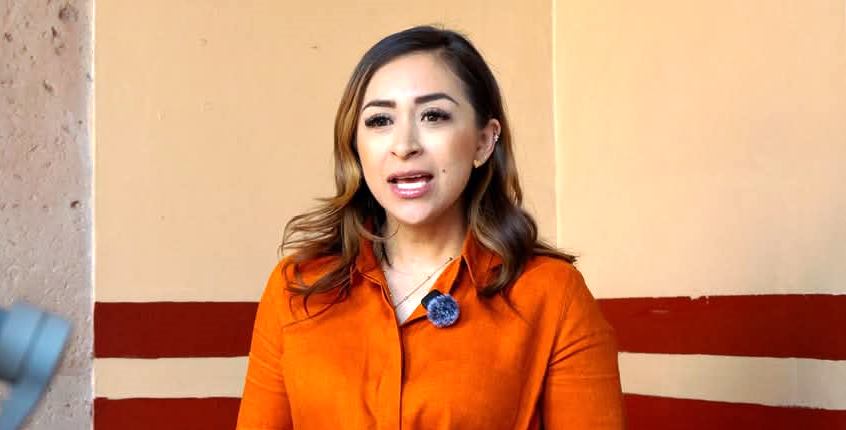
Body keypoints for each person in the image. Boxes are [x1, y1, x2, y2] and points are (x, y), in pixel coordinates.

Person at [236, 25, 625, 429]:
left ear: (483, 141)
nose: (404, 145)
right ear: (355, 146)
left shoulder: (552, 294)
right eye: (380, 120)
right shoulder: (296, 287)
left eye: (433, 115)